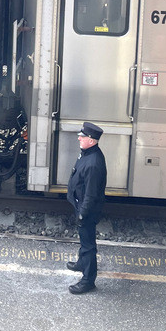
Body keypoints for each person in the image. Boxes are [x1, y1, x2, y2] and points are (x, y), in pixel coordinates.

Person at [65, 122, 107, 295]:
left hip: (86, 209)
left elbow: (91, 194)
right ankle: (82, 263)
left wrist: (83, 213)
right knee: (83, 238)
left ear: (92, 140)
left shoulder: (93, 163)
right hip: (81, 204)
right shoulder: (88, 153)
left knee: (88, 244)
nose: (79, 138)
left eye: (83, 137)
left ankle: (88, 280)